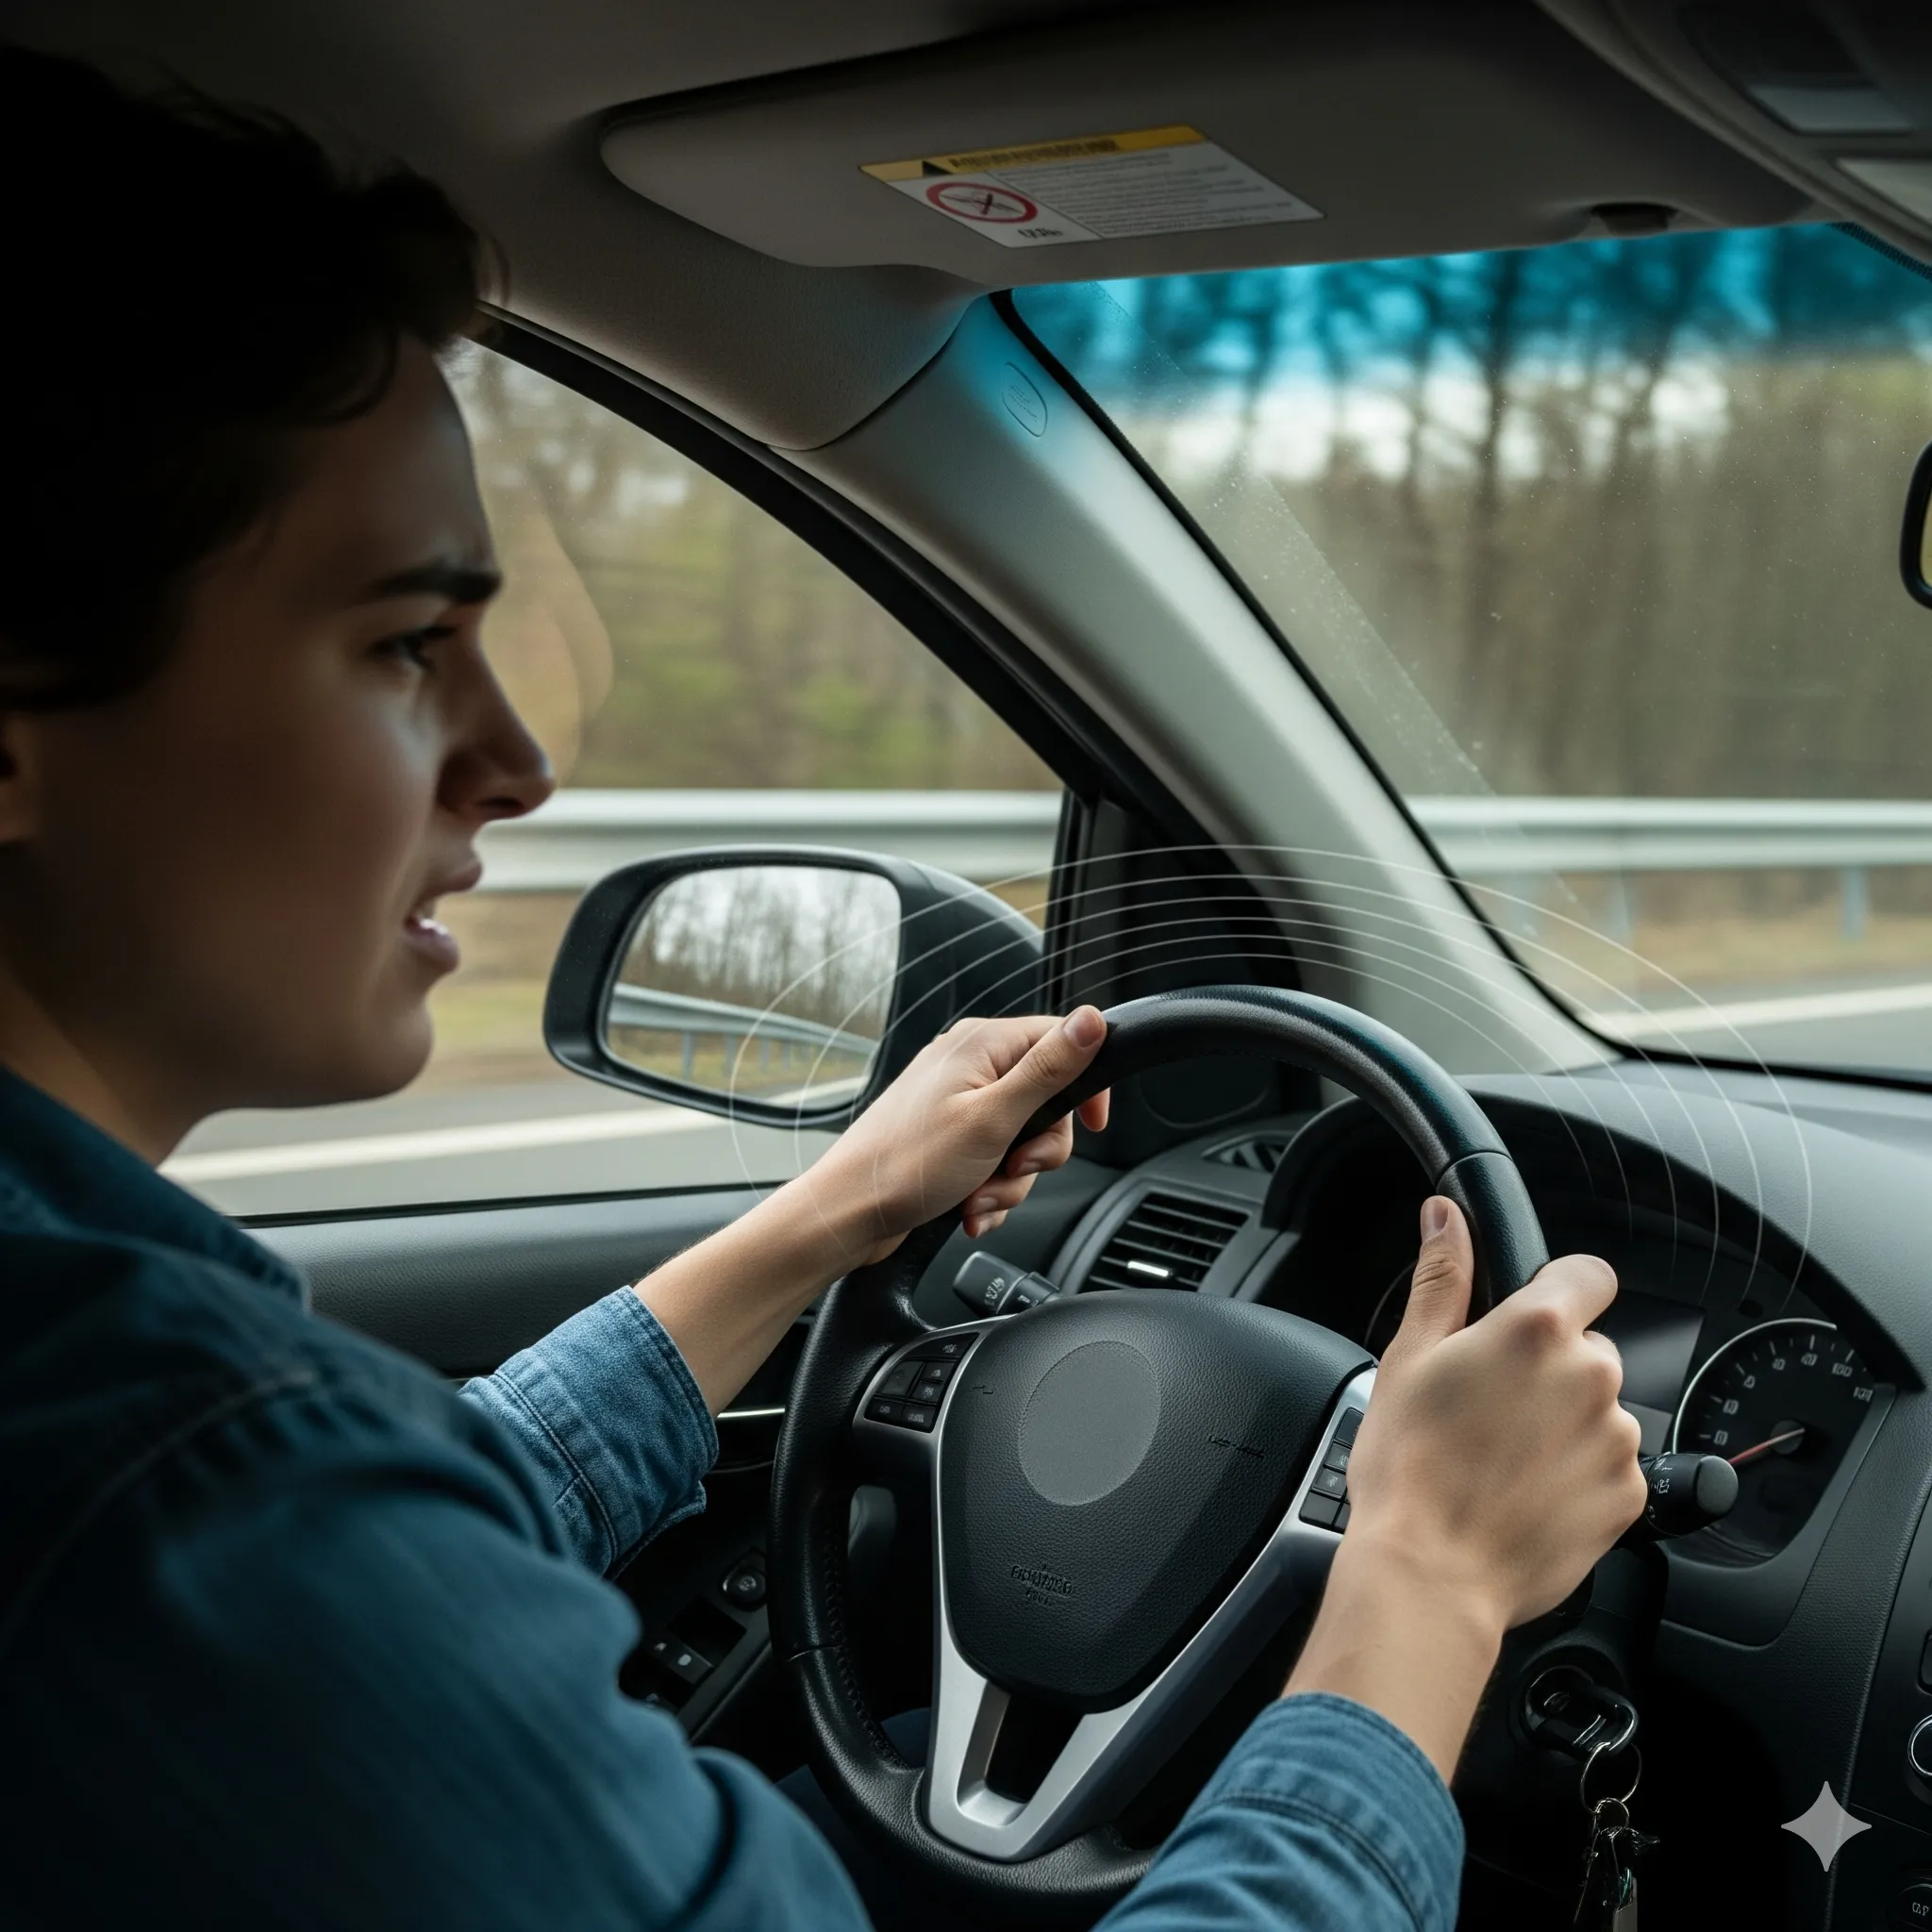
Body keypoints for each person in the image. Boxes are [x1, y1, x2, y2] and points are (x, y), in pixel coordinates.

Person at [0, 44, 1648, 1931]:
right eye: (399, 644)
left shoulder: (124, 1435)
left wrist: (824, 1219)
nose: (518, 757)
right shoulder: (179, 1498)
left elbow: (390, 1540)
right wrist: (1421, 1580)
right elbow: (293, 1554)